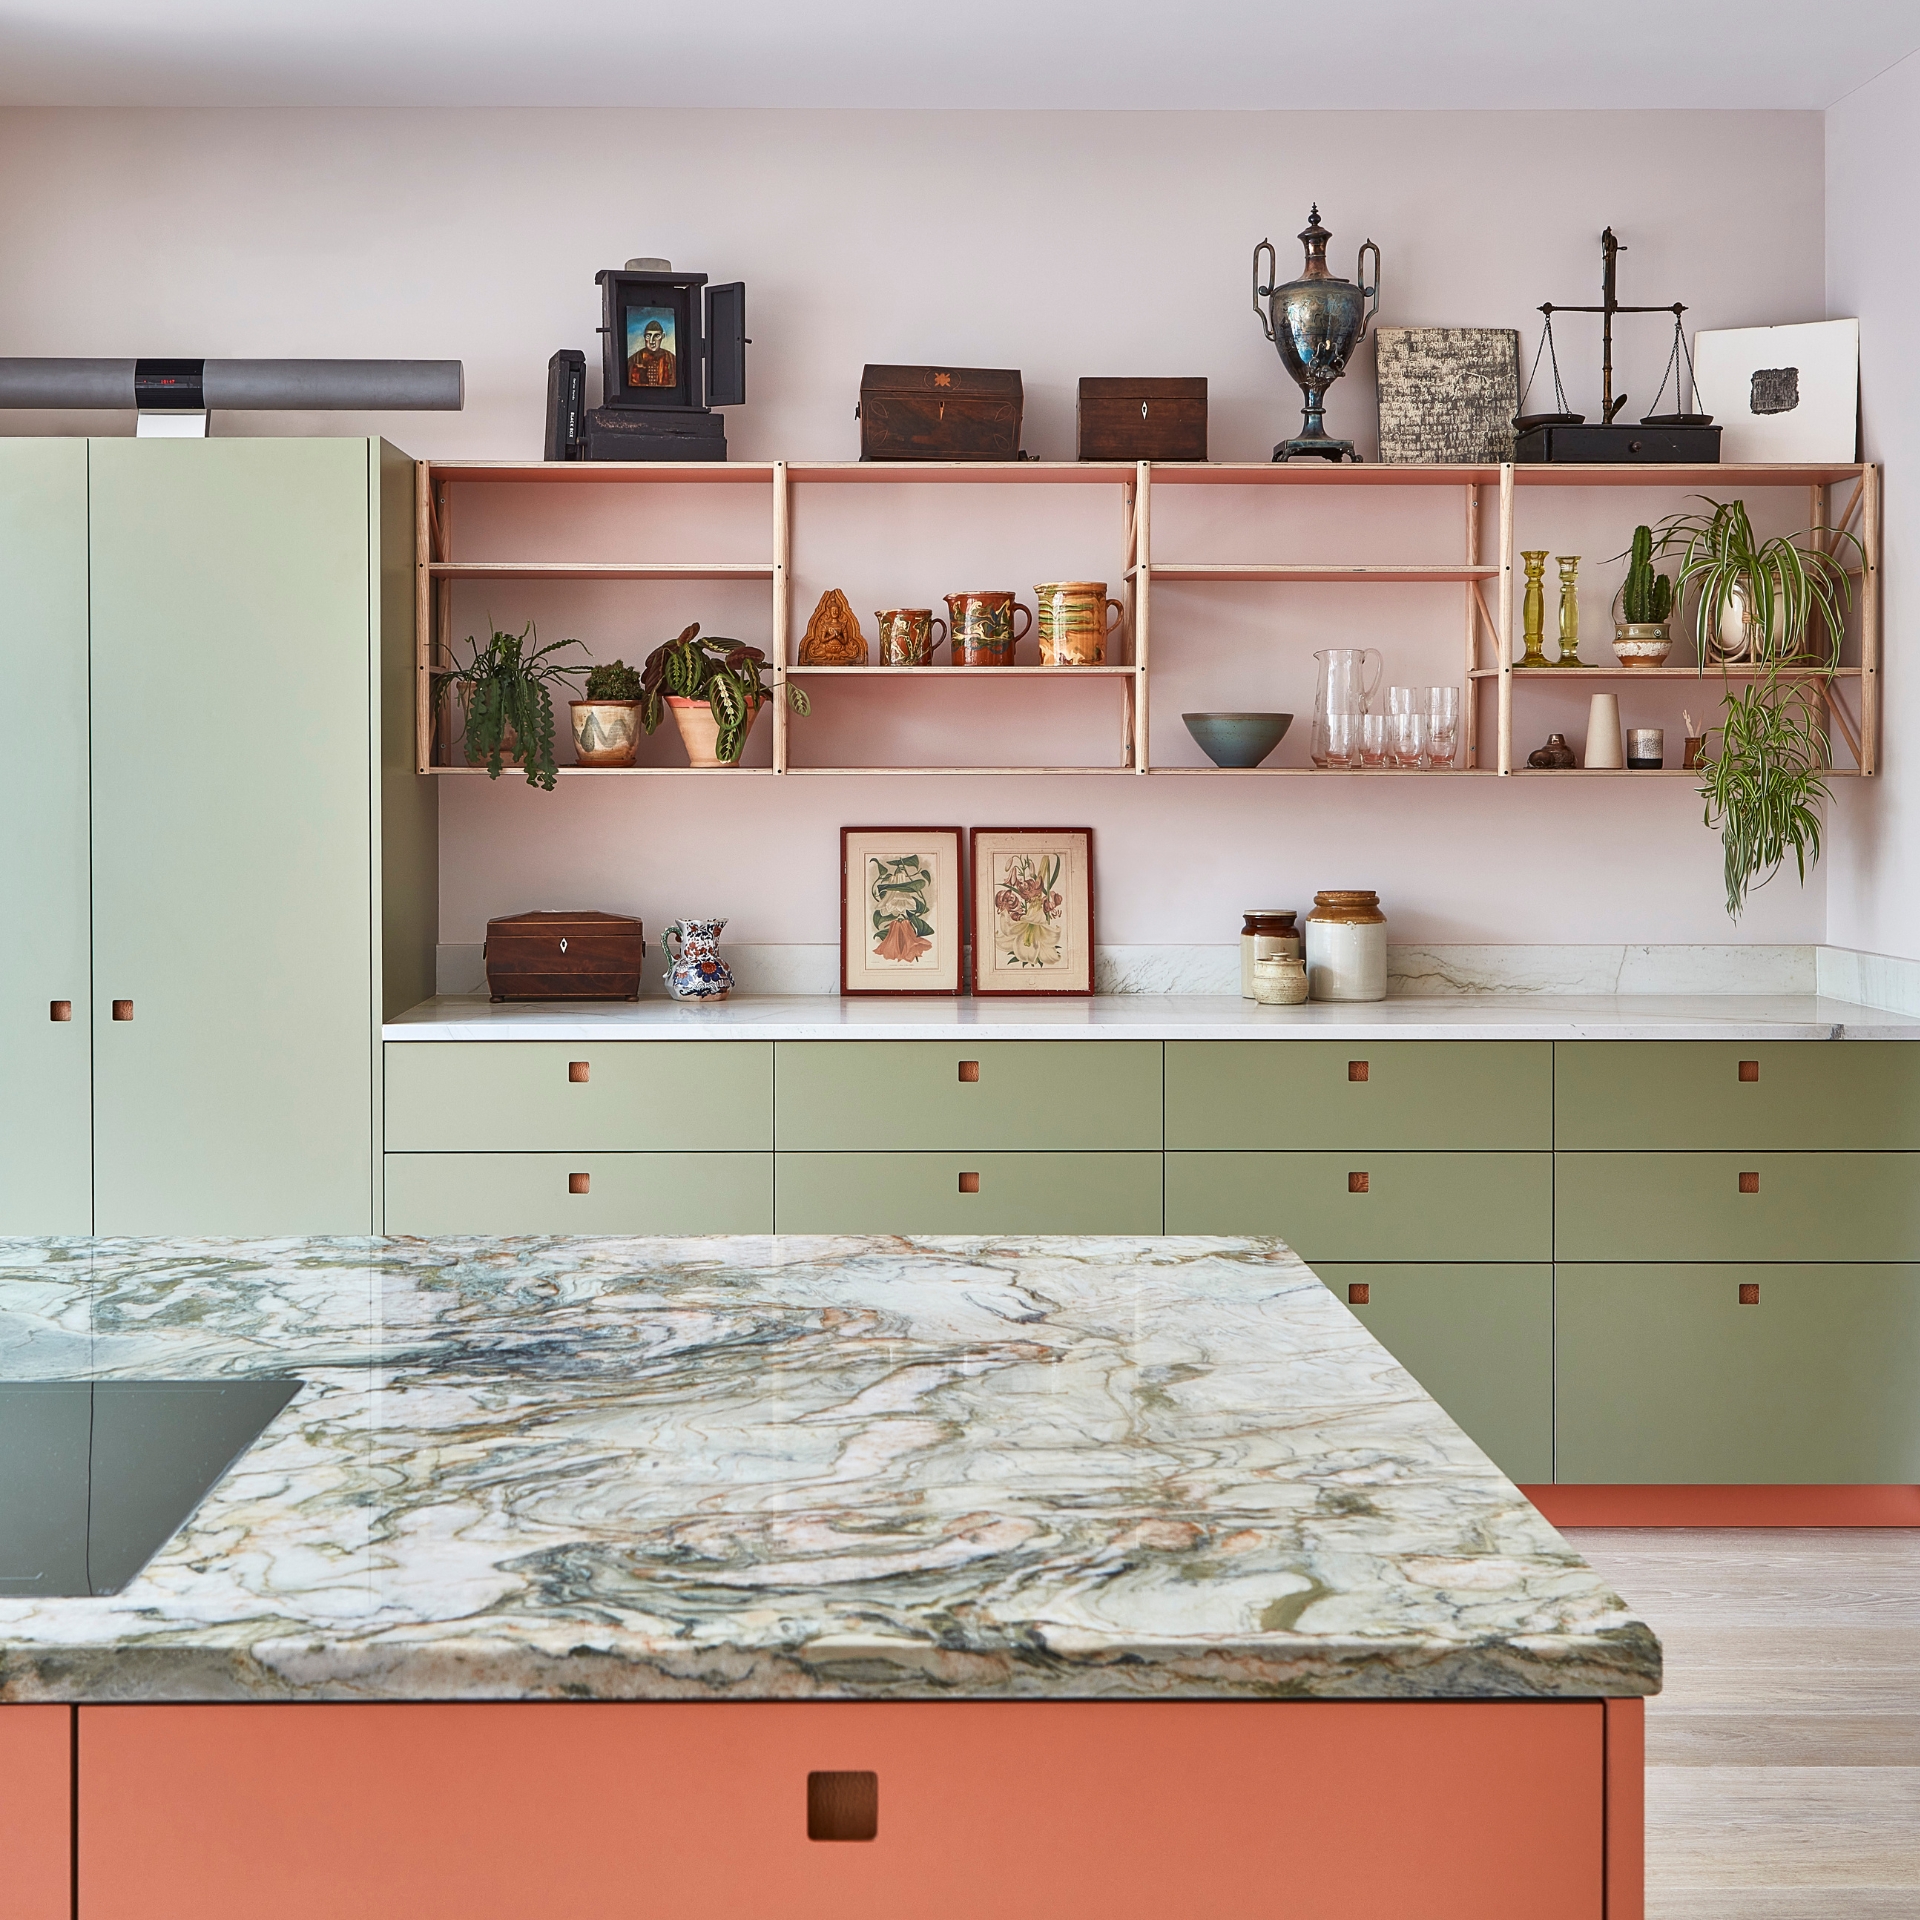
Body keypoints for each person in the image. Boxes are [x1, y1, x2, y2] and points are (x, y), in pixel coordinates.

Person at [628, 318, 676, 389]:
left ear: (662, 336)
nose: (652, 341)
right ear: (644, 337)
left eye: (656, 336)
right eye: (648, 336)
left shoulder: (672, 359)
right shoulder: (633, 360)